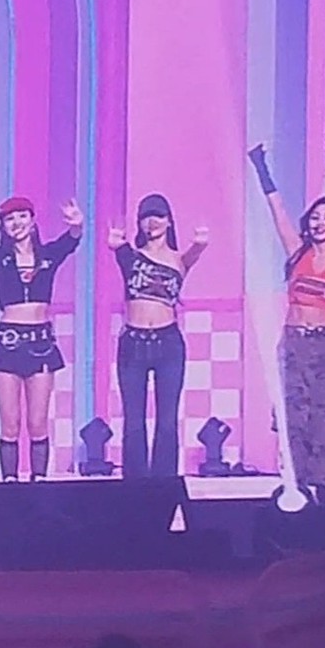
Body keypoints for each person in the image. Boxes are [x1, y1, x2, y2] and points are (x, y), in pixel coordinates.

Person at [249, 145, 325, 498]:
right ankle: (298, 486)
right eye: (315, 217)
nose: (319, 223)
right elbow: (277, 210)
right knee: (294, 416)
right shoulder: (297, 252)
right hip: (293, 344)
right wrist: (261, 168)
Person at [0, 195, 84, 480]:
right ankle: (9, 484)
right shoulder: (0, 258)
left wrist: (76, 224)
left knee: (38, 423)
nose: (16, 223)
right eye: (9, 219)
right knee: (10, 424)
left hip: (41, 342)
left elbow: (71, 241)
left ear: (33, 221)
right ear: (3, 226)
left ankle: (39, 483)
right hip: (7, 343)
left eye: (22, 216)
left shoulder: (47, 256)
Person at [108, 196, 209, 478]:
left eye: (158, 215)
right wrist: (115, 243)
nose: (152, 222)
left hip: (168, 344)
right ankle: (134, 488)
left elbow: (196, 251)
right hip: (133, 343)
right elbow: (117, 247)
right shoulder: (130, 255)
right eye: (146, 216)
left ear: (169, 221)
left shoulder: (179, 259)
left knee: (167, 422)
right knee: (133, 422)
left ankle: (164, 486)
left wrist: (200, 242)